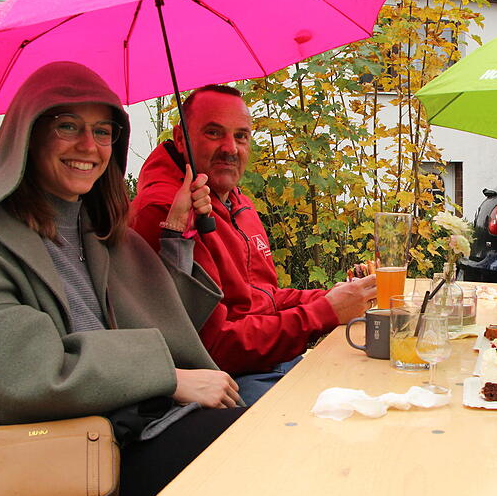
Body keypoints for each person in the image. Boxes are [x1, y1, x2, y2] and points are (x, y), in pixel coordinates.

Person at [0, 62, 245, 496]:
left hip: (139, 428)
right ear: (27, 136)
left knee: (275, 438)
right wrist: (171, 377)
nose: (89, 147)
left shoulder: (96, 230)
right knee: (245, 460)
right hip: (58, 456)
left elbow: (161, 319)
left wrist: (177, 235)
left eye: (103, 132)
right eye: (67, 126)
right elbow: (23, 371)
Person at [129, 85, 376, 404]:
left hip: (271, 358)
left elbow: (263, 297)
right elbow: (215, 348)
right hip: (228, 379)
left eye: (241, 136)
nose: (230, 148)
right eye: (214, 132)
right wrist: (324, 313)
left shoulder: (235, 201)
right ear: (181, 139)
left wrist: (339, 296)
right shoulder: (166, 212)